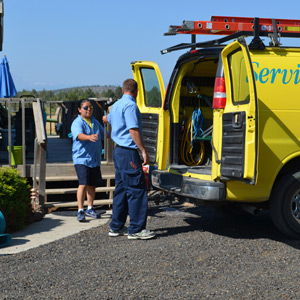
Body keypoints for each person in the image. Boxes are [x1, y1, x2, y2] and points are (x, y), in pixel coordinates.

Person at [103, 79, 156, 240]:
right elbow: (133, 129)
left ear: (122, 89)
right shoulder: (131, 106)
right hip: (129, 152)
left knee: (121, 189)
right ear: (137, 91)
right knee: (136, 189)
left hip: (118, 151)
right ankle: (136, 229)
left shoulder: (117, 105)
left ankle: (116, 226)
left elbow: (107, 119)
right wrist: (143, 150)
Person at [71, 99, 104, 222]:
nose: (89, 110)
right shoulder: (77, 122)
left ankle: (90, 208)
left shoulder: (94, 122)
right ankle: (80, 209)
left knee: (92, 184)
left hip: (94, 159)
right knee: (83, 184)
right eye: (86, 107)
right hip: (81, 158)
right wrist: (89, 137)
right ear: (80, 110)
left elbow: (105, 133)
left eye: (90, 108)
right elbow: (78, 135)